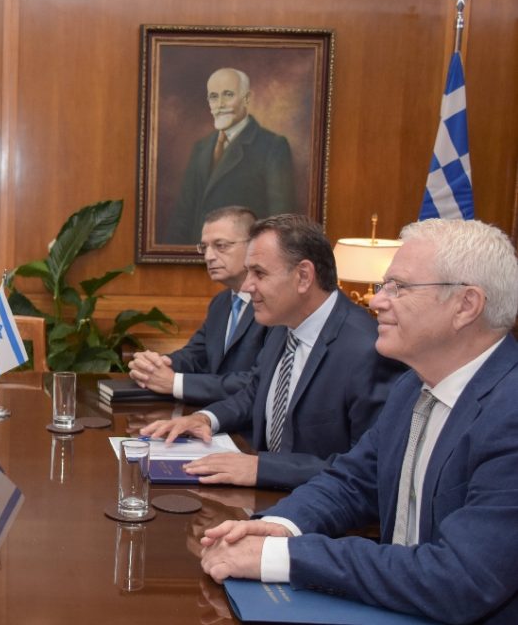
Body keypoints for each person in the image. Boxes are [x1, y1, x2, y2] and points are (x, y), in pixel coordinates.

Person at [199, 218, 518, 624]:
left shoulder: (509, 412)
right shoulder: (412, 386)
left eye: (398, 287)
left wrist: (286, 556)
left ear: (466, 305)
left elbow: (460, 580)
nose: (376, 301)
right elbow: (353, 480)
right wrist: (279, 526)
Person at [142, 214, 403, 489]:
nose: (247, 286)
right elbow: (254, 394)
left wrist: (262, 468)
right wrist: (205, 418)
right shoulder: (283, 323)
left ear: (303, 277)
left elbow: (368, 469)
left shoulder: (367, 349)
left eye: (259, 273)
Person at [129, 206, 268, 405]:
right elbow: (194, 355)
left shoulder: (273, 304)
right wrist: (153, 366)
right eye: (204, 247)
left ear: (252, 245)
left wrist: (175, 383)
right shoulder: (220, 303)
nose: (209, 256)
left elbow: (258, 382)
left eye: (221, 246)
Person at [164, 68, 295, 244]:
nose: (220, 104)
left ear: (246, 98)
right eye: (214, 97)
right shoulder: (201, 148)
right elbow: (183, 215)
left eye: (228, 95)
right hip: (198, 253)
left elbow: (280, 222)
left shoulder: (273, 147)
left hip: (244, 257)